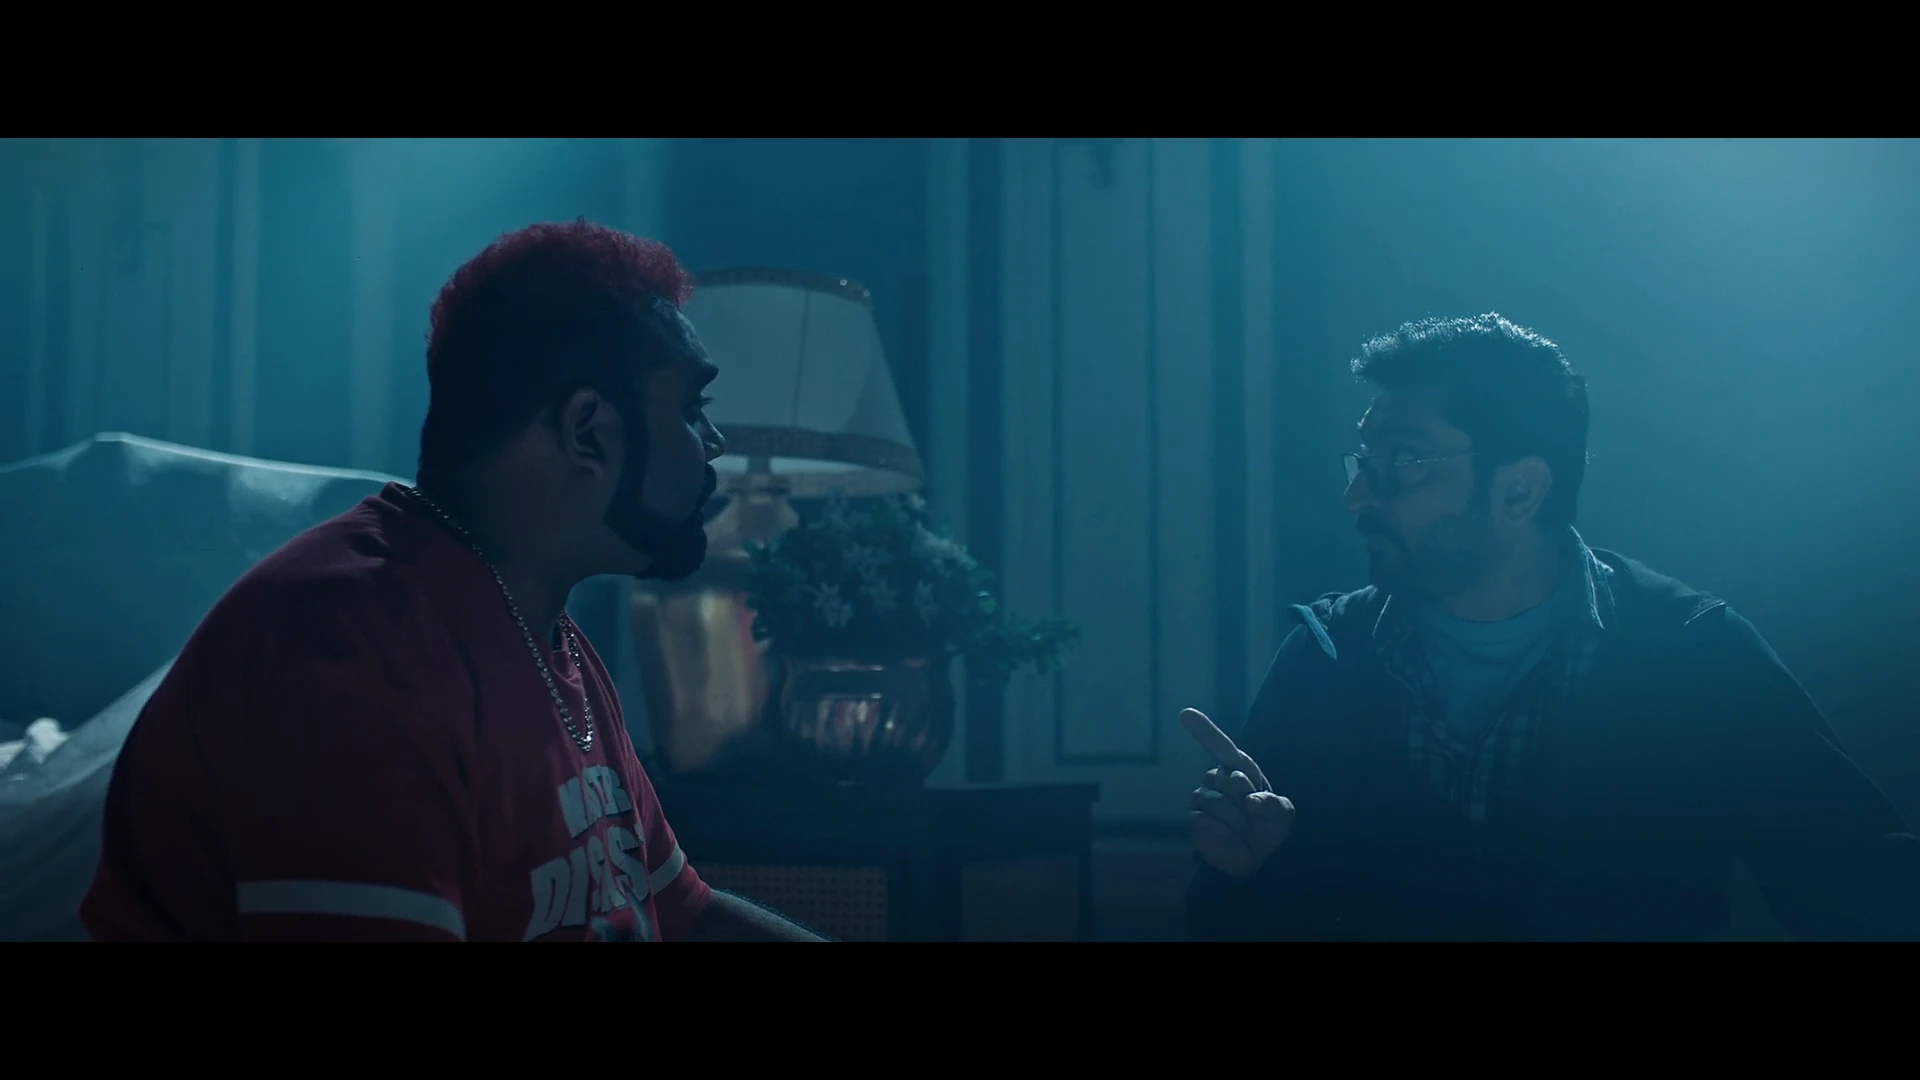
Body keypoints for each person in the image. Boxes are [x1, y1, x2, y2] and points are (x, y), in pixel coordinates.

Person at [82, 220, 825, 942]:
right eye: (692, 409)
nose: (713, 443)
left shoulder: (543, 632)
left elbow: (684, 915)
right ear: (588, 431)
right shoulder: (352, 650)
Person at [1184, 313, 1920, 941]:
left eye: (1403, 460)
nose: (1357, 496)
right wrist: (1244, 878)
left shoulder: (1693, 659)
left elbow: (1866, 891)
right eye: (1364, 459)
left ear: (1519, 491)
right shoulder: (1325, 661)